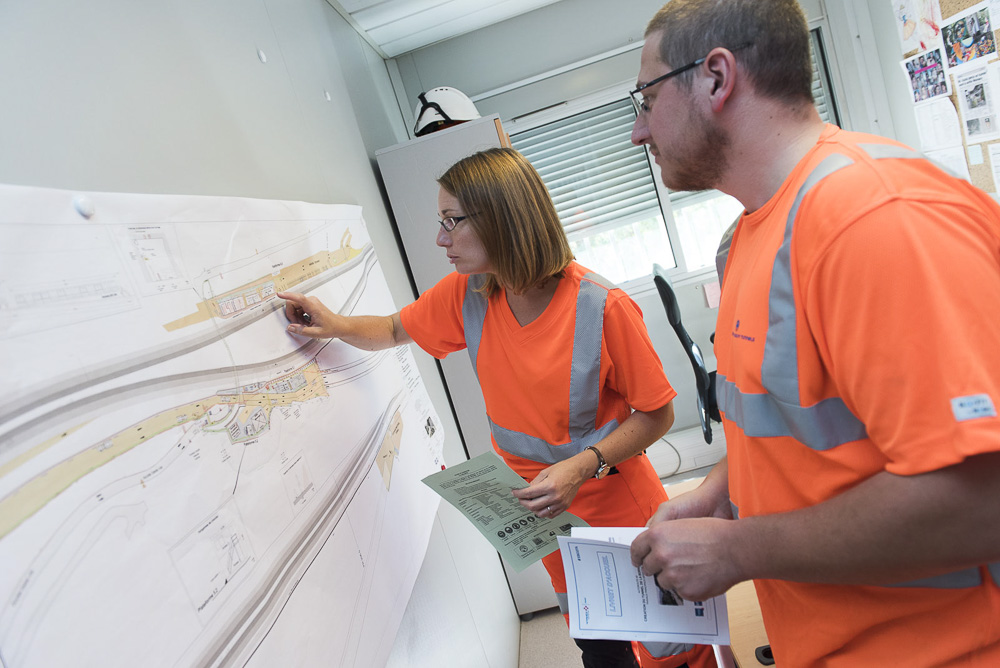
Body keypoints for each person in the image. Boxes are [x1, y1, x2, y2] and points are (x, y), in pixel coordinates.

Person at [627, 0, 1000, 665]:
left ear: (715, 78)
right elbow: (801, 429)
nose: (638, 132)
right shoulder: (753, 232)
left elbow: (983, 504)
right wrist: (719, 495)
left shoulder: (873, 221)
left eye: (646, 99)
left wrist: (741, 549)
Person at [278, 148, 715, 668]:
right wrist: (335, 323)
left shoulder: (603, 307)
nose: (441, 238)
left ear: (502, 220)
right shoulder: (472, 295)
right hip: (545, 518)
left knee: (673, 654)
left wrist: (581, 465)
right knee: (599, 648)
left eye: (452, 222)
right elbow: (397, 328)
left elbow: (657, 413)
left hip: (616, 511)